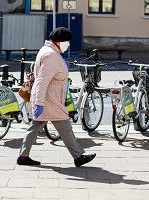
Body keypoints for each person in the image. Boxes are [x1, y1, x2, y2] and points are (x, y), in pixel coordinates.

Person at [17, 27, 96, 167]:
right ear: (59, 42)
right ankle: (78, 156)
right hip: (49, 100)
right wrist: (40, 102)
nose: (68, 44)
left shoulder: (47, 50)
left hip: (47, 98)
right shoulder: (51, 56)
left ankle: (23, 156)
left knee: (35, 127)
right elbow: (42, 80)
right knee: (65, 127)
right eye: (67, 41)